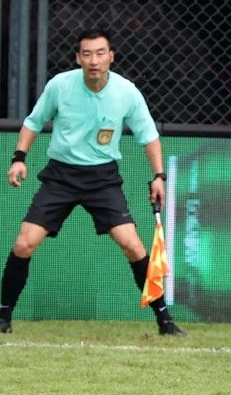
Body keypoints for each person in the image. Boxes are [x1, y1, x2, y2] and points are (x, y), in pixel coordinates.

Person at [0, 29, 185, 337]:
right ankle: (3, 316)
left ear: (111, 57)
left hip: (102, 179)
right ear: (78, 58)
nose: (94, 60)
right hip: (60, 176)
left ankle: (165, 321)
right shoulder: (60, 86)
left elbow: (149, 136)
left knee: (133, 245)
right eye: (87, 54)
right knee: (24, 243)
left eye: (100, 53)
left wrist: (159, 176)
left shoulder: (126, 92)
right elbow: (33, 122)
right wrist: (19, 158)